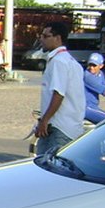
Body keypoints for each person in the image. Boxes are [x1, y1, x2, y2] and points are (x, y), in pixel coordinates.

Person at [34, 22, 85, 156]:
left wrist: (45, 120)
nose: (41, 39)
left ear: (58, 38)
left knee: (48, 170)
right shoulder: (71, 61)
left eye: (45, 36)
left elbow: (58, 94)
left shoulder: (59, 61)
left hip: (58, 129)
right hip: (67, 127)